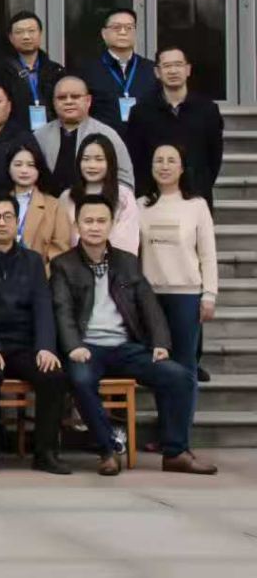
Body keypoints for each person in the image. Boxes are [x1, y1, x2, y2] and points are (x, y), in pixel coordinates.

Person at [52, 194, 215, 477]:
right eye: (88, 221)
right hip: (87, 348)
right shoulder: (63, 265)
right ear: (77, 225)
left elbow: (149, 305)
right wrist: (73, 346)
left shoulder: (127, 262)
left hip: (125, 347)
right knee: (80, 380)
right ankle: (108, 451)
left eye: (101, 221)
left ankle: (175, 452)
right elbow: (61, 310)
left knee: (180, 376)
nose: (94, 227)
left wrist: (161, 343)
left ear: (112, 224)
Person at [0, 195, 70, 474]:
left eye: (8, 217)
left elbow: (43, 306)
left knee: (53, 374)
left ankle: (45, 452)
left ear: (17, 223)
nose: (2, 223)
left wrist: (45, 347)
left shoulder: (32, 261)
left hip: (23, 344)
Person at [139, 142, 217, 440]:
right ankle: (165, 434)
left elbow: (208, 254)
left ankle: (180, 438)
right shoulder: (141, 205)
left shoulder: (196, 205)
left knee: (185, 367)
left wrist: (209, 294)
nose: (164, 166)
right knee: (160, 365)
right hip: (151, 297)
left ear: (182, 167)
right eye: (158, 160)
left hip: (186, 295)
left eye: (171, 160)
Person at [128, 46, 223, 206]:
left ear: (188, 69)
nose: (173, 71)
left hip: (196, 197)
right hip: (152, 198)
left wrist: (200, 187)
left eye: (178, 65)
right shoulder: (141, 112)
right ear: (157, 72)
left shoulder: (207, 110)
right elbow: (136, 158)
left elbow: (214, 157)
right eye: (167, 66)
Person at [34, 75, 133, 192]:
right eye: (61, 98)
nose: (68, 101)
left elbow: (125, 181)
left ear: (88, 100)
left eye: (75, 97)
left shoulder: (107, 135)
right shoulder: (40, 136)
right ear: (54, 102)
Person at [0, 138, 73, 266]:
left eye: (31, 165)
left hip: (40, 273)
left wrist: (40, 274)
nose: (24, 170)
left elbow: (60, 251)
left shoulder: (54, 206)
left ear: (39, 169)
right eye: (18, 164)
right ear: (9, 168)